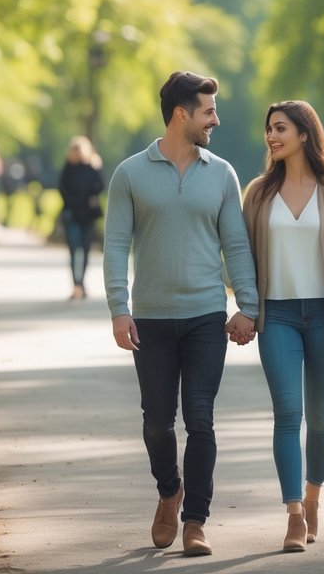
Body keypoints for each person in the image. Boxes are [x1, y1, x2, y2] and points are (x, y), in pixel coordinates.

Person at [103, 71, 258, 557]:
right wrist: (118, 309)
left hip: (205, 316)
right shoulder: (130, 173)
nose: (217, 119)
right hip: (150, 319)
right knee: (156, 422)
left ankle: (196, 521)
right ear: (181, 114)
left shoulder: (222, 173)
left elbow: (235, 244)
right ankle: (169, 492)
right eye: (209, 110)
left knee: (201, 419)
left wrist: (248, 306)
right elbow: (115, 245)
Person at [239, 100, 324, 553]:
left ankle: (313, 496)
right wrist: (246, 308)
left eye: (280, 128)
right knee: (287, 415)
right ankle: (294, 514)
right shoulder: (257, 193)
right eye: (268, 129)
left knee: (320, 419)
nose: (271, 137)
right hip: (279, 318)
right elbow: (243, 258)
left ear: (305, 134)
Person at [58, 136, 104, 300]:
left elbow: (100, 186)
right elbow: (62, 189)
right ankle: (76, 284)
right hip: (73, 214)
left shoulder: (92, 166)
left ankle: (81, 282)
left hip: (87, 215)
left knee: (84, 250)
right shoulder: (68, 168)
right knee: (74, 249)